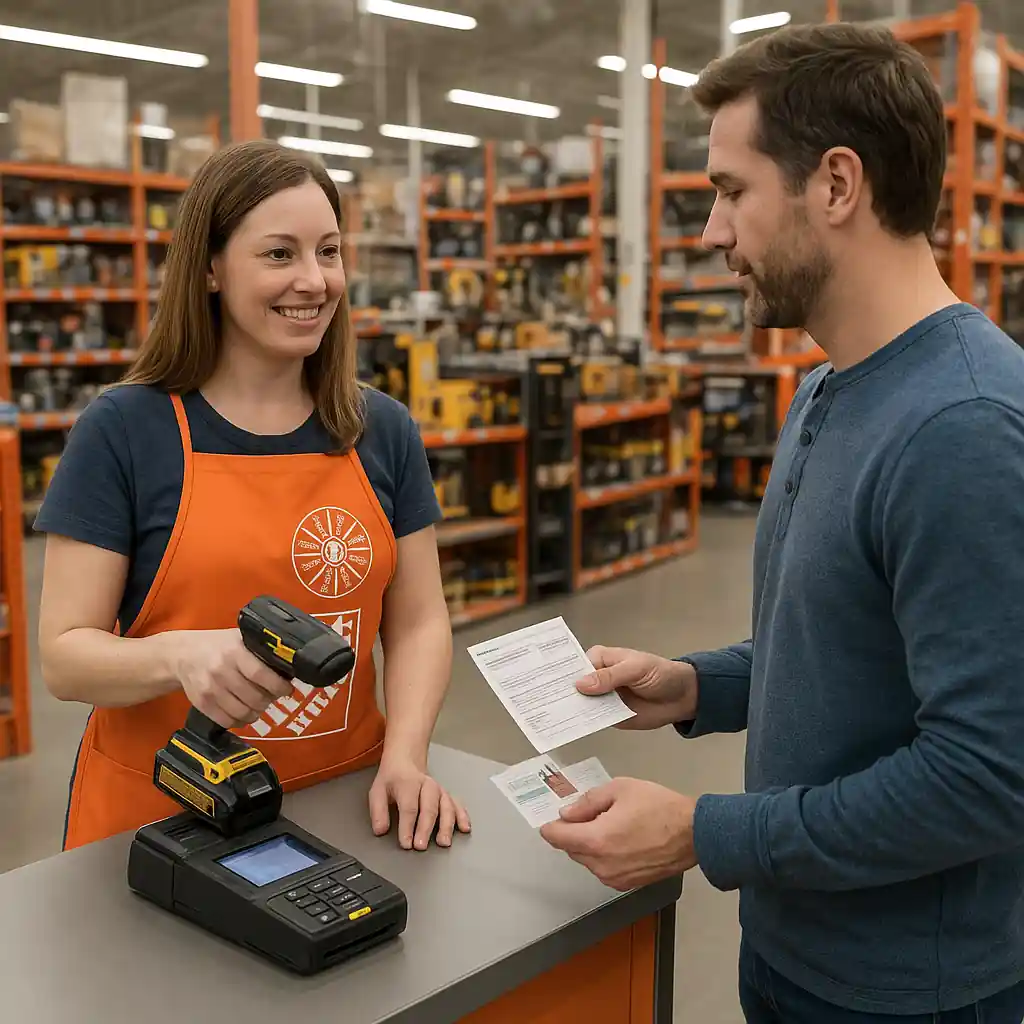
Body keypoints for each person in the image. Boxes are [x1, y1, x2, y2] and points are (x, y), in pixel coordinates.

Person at [540, 22, 1024, 1024]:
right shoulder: (826, 388)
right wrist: (692, 685)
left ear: (835, 185)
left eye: (730, 190)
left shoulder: (963, 429)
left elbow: (986, 775)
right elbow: (845, 643)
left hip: (910, 996)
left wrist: (703, 832)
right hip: (795, 950)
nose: (712, 231)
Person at [36, 139, 470, 856]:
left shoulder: (380, 429)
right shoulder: (126, 430)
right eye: (279, 254)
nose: (314, 280)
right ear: (210, 268)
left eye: (328, 252)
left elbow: (420, 621)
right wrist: (178, 657)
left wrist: (407, 755)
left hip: (344, 810)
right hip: (157, 825)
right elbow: (64, 657)